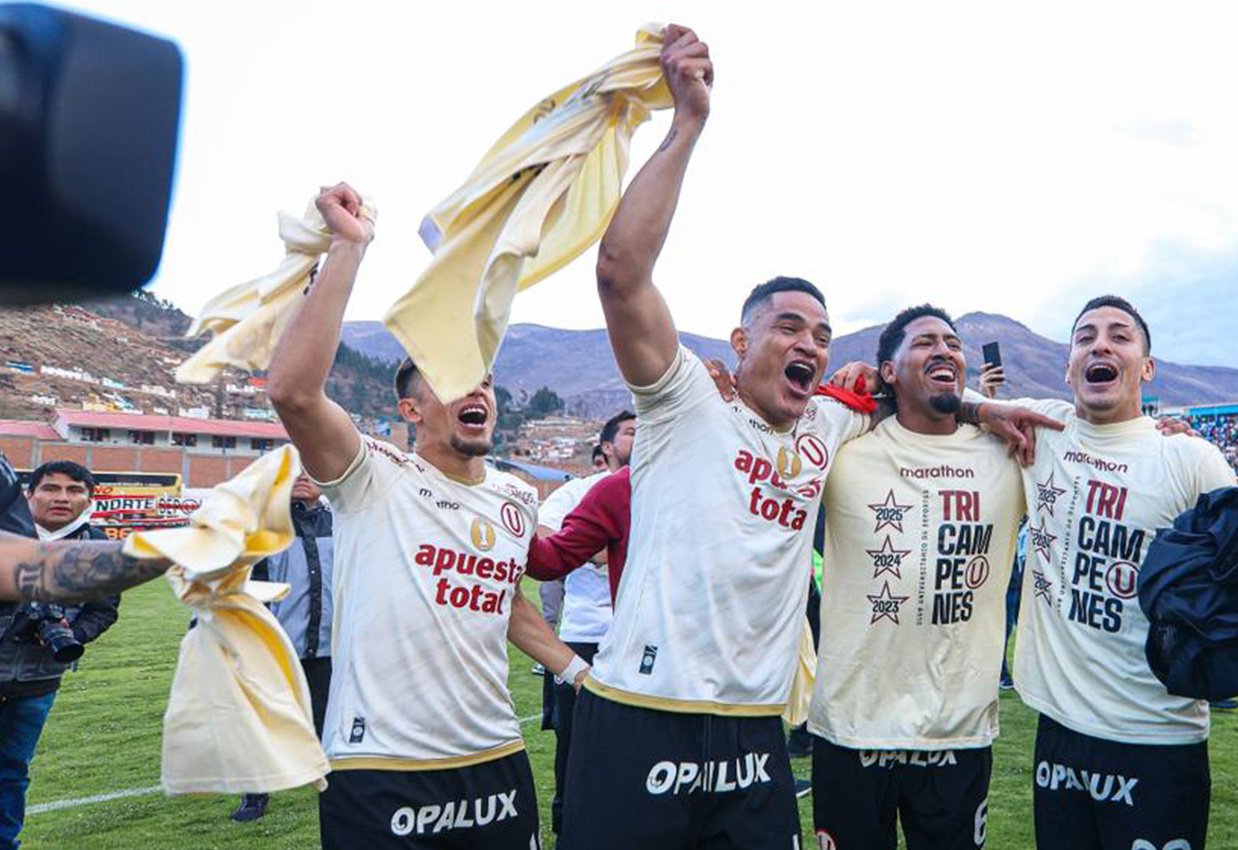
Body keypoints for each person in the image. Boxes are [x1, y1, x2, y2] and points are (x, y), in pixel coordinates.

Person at [562, 28, 1049, 847]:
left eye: (821, 334)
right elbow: (620, 273)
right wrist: (687, 124)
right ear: (739, 342)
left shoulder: (830, 419)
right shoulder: (685, 400)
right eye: (787, 326)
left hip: (756, 729)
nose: (810, 344)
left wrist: (975, 405)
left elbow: (910, 388)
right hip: (644, 711)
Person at [266, 181, 585, 849]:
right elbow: (294, 393)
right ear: (410, 409)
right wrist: (349, 248)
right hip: (381, 766)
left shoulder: (515, 497)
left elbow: (505, 600)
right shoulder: (374, 476)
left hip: (495, 756)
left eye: (486, 380)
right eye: (452, 377)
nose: (478, 390)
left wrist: (577, 671)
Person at [1006, 296, 1236, 850]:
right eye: (1085, 337)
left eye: (1119, 335)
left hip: (1157, 736)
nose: (1100, 345)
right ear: (1068, 368)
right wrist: (982, 409)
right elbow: (944, 398)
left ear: (1146, 367)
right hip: (1060, 730)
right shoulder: (1044, 430)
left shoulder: (1190, 459)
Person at [805, 305, 1026, 849]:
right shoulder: (845, 451)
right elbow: (789, 415)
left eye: (952, 343)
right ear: (889, 370)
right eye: (925, 342)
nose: (944, 349)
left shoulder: (1009, 453)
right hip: (852, 725)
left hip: (958, 730)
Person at [0, 461, 118, 849]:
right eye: (50, 488)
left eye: (74, 490)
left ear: (89, 499)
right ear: (29, 494)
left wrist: (71, 633)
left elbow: (103, 609)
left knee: (12, 770)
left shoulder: (99, 547)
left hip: (39, 679)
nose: (62, 498)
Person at [532, 411, 633, 843]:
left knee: (633, 743)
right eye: (630, 432)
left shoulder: (659, 487)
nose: (640, 437)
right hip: (583, 636)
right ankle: (568, 827)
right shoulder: (578, 491)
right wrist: (601, 543)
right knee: (574, 743)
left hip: (635, 638)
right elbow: (544, 537)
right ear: (607, 446)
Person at [231, 472, 336, 823]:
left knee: (329, 720)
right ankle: (255, 792)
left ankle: (333, 785)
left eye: (310, 469)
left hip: (327, 646)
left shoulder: (341, 523)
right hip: (277, 647)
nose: (303, 477)